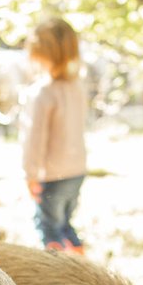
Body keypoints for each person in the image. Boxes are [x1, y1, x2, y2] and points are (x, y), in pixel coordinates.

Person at [20, 17, 88, 254]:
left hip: (52, 175)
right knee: (66, 226)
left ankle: (58, 277)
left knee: (48, 228)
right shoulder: (77, 87)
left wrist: (30, 174)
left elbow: (34, 140)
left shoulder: (42, 93)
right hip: (77, 171)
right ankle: (83, 268)